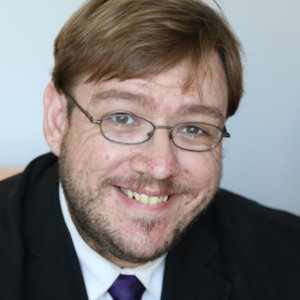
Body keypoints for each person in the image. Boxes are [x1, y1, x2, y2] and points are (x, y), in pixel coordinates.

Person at [0, 0, 299, 299]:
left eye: (193, 128)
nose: (160, 166)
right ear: (57, 120)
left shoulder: (287, 257)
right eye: (123, 118)